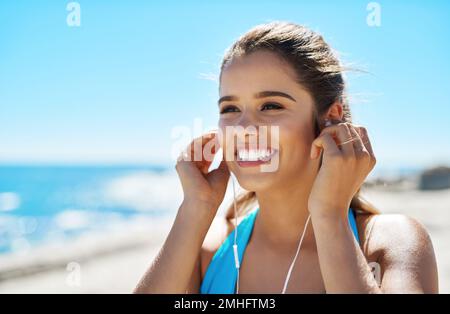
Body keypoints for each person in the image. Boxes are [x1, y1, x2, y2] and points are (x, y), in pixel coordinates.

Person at [134, 21, 438, 294]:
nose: (244, 129)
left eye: (271, 106)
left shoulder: (389, 242)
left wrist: (330, 215)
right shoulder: (209, 251)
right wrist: (195, 208)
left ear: (331, 118)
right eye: (230, 109)